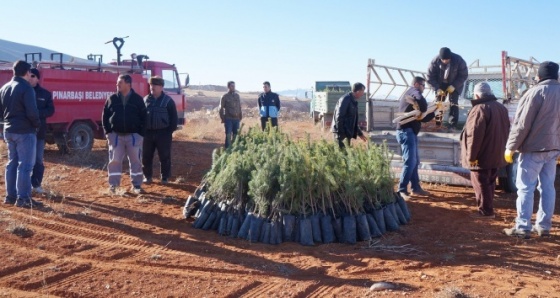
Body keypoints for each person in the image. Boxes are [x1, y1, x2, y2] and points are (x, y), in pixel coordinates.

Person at [503, 61, 560, 239]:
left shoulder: (535, 92)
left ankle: (523, 227)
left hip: (533, 149)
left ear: (540, 75)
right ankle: (544, 227)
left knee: (526, 188)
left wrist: (510, 147)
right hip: (553, 149)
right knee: (548, 188)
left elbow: (521, 125)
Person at [460, 82, 509, 218]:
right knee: (490, 182)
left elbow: (474, 136)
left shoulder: (479, 109)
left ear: (476, 94)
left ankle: (486, 211)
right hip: (496, 153)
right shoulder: (501, 108)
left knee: (481, 183)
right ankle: (488, 208)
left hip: (482, 156)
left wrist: (471, 157)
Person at [0, 60, 41, 208]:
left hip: (8, 130)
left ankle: (10, 196)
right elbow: (32, 112)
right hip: (24, 131)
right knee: (25, 166)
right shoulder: (26, 88)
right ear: (27, 72)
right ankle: (23, 198)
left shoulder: (4, 88)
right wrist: (37, 125)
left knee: (12, 163)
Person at [102, 74, 147, 194]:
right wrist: (108, 133)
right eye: (117, 82)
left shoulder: (138, 99)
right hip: (116, 136)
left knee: (136, 162)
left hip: (133, 137)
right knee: (114, 161)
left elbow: (144, 118)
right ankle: (114, 186)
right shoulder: (112, 99)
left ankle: (137, 186)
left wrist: (140, 135)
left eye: (120, 82)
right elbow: (105, 116)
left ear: (128, 84)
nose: (117, 85)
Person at [396, 77, 435, 200]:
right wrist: (425, 107)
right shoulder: (412, 92)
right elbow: (421, 103)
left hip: (410, 132)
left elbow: (422, 116)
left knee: (414, 162)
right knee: (410, 161)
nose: (423, 88)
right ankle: (401, 190)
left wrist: (434, 112)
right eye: (422, 85)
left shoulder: (414, 100)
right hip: (405, 132)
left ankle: (415, 188)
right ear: (416, 84)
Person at [142, 76, 178, 185]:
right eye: (151, 85)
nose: (152, 87)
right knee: (146, 156)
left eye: (155, 85)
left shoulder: (168, 101)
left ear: (161, 87)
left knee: (164, 156)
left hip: (163, 133)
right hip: (147, 133)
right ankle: (147, 177)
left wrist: (168, 132)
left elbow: (174, 118)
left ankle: (165, 177)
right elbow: (141, 116)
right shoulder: (145, 100)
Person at [427, 47, 468, 131]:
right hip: (440, 84)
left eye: (447, 59)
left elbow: (463, 75)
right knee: (439, 103)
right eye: (443, 60)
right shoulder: (434, 61)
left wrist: (454, 85)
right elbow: (430, 77)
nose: (445, 61)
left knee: (453, 103)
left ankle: (452, 125)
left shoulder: (458, 60)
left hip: (455, 83)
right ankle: (438, 124)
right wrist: (437, 88)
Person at [29, 68, 55, 194]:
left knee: (38, 159)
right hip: (25, 132)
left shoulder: (45, 94)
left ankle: (36, 184)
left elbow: (51, 110)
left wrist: (37, 114)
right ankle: (24, 185)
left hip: (39, 133)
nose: (30, 77)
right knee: (26, 160)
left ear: (38, 78)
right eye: (28, 75)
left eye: (33, 76)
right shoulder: (23, 92)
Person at [331, 82, 368, 149]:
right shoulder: (346, 99)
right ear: (357, 91)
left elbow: (353, 120)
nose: (363, 94)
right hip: (341, 133)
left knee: (346, 155)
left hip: (346, 133)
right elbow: (339, 117)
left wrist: (360, 133)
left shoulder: (353, 101)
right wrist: (341, 134)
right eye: (362, 91)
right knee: (341, 154)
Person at [219, 81, 242, 148]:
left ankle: (234, 151)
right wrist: (223, 118)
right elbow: (221, 108)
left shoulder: (237, 96)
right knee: (228, 135)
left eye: (234, 86)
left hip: (236, 119)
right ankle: (227, 151)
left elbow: (239, 107)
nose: (234, 87)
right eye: (232, 86)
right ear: (228, 87)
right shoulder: (225, 96)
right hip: (228, 119)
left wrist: (240, 116)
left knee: (236, 135)